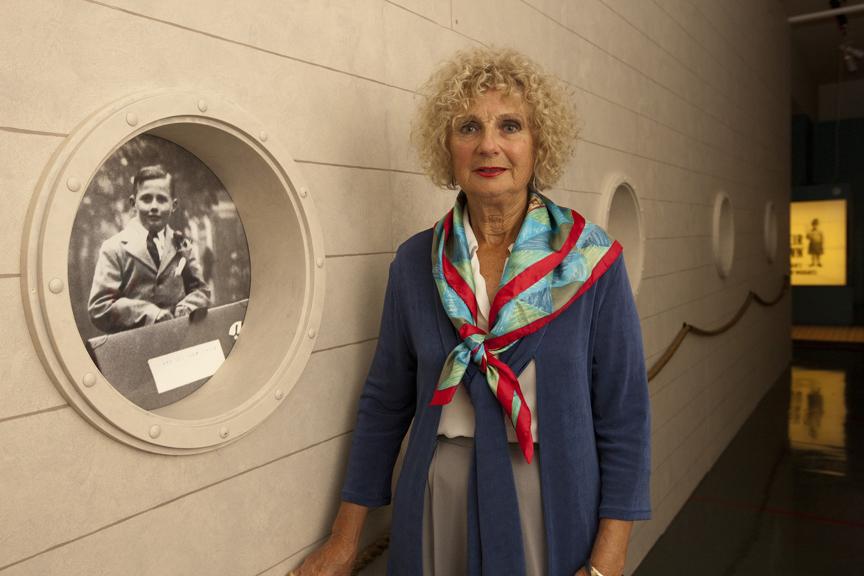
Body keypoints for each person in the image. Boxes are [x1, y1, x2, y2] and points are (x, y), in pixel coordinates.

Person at [292, 46, 651, 576]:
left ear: (538, 143)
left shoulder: (590, 261)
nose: (488, 145)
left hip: (553, 500)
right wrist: (344, 541)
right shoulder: (415, 263)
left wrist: (608, 560)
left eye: (510, 126)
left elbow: (624, 416)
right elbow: (385, 405)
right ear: (448, 146)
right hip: (437, 499)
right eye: (468, 127)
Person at [88, 165, 211, 333]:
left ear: (173, 205)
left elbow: (200, 290)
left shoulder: (180, 244)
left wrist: (187, 307)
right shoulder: (114, 248)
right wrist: (151, 314)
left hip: (179, 338)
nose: (154, 206)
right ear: (133, 204)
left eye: (162, 199)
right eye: (146, 199)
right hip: (133, 343)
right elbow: (100, 306)